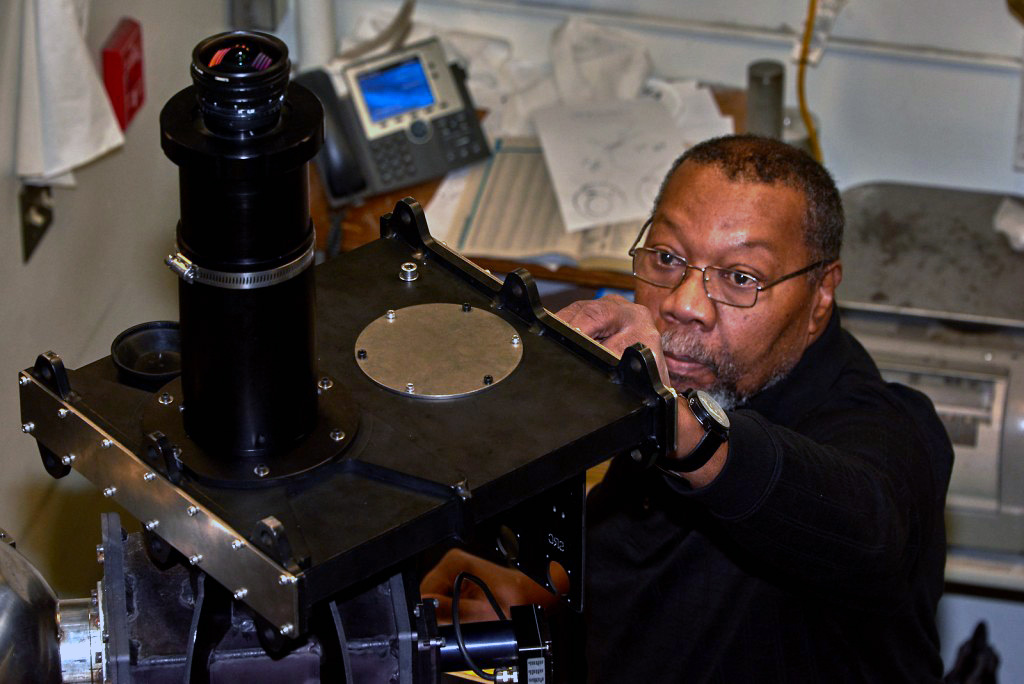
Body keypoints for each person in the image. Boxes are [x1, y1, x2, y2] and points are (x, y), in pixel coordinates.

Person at [422, 134, 953, 682]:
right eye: (668, 258)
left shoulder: (889, 429)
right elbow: (642, 565)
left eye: (741, 277)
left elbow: (866, 530)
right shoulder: (693, 379)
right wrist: (544, 598)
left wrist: (682, 428)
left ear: (820, 295)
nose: (682, 303)